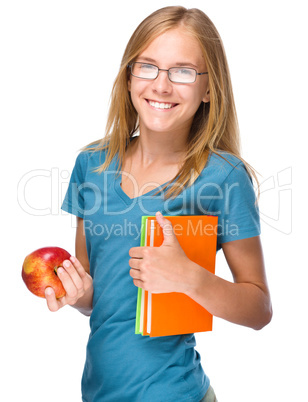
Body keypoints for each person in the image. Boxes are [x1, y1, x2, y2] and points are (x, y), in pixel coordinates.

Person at [44, 6, 272, 402]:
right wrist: (78, 295)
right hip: (97, 394)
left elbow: (259, 309)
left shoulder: (222, 177)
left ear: (209, 89)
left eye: (183, 71)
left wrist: (191, 279)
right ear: (129, 76)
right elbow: (98, 298)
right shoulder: (91, 166)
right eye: (148, 66)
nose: (162, 86)